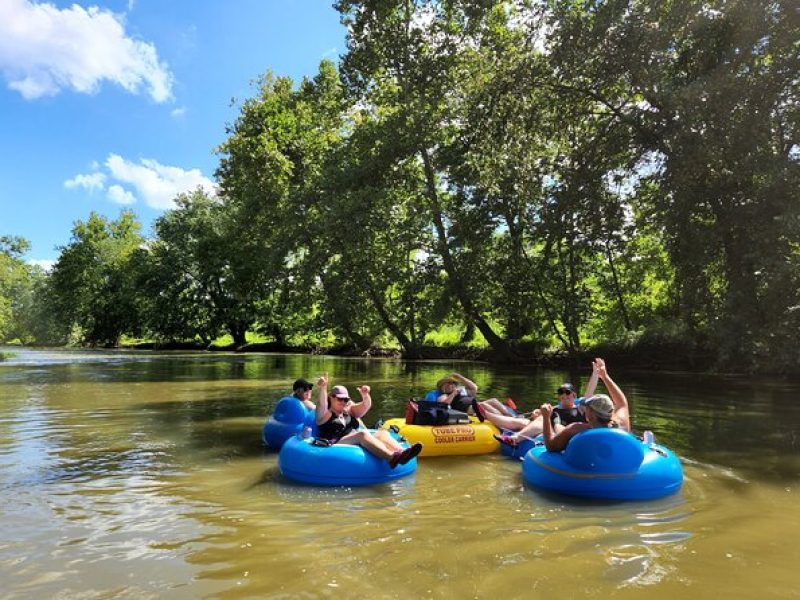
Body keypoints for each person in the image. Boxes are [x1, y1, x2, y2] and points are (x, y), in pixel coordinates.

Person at [315, 374, 422, 468]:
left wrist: (365, 395)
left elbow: (365, 406)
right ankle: (391, 458)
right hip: (336, 444)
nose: (343, 402)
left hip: (353, 439)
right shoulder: (325, 414)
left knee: (382, 433)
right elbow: (321, 405)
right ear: (331, 398)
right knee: (362, 434)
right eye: (340, 399)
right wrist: (323, 388)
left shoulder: (349, 411)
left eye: (346, 399)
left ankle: (402, 453)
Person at [490, 363, 599, 446]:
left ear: (574, 395)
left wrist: (595, 373)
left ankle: (515, 438)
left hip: (567, 435)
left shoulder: (580, 408)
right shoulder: (554, 409)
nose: (564, 395)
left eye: (567, 392)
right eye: (561, 392)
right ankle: (486, 415)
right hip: (553, 432)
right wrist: (537, 413)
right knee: (525, 421)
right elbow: (547, 419)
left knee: (540, 421)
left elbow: (589, 393)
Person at [539, 358, 631, 452]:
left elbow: (550, 446)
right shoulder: (621, 424)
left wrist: (546, 418)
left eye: (587, 407)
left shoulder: (576, 429)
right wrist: (605, 376)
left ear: (590, 415)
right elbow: (622, 403)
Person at [434, 373, 516, 422]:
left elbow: (474, 388)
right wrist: (454, 393)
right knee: (482, 405)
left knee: (493, 400)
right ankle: (505, 420)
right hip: (467, 409)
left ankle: (510, 416)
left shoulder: (462, 391)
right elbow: (444, 404)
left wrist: (461, 378)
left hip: (475, 404)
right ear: (443, 388)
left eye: (451, 383)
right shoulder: (444, 396)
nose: (450, 385)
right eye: (447, 384)